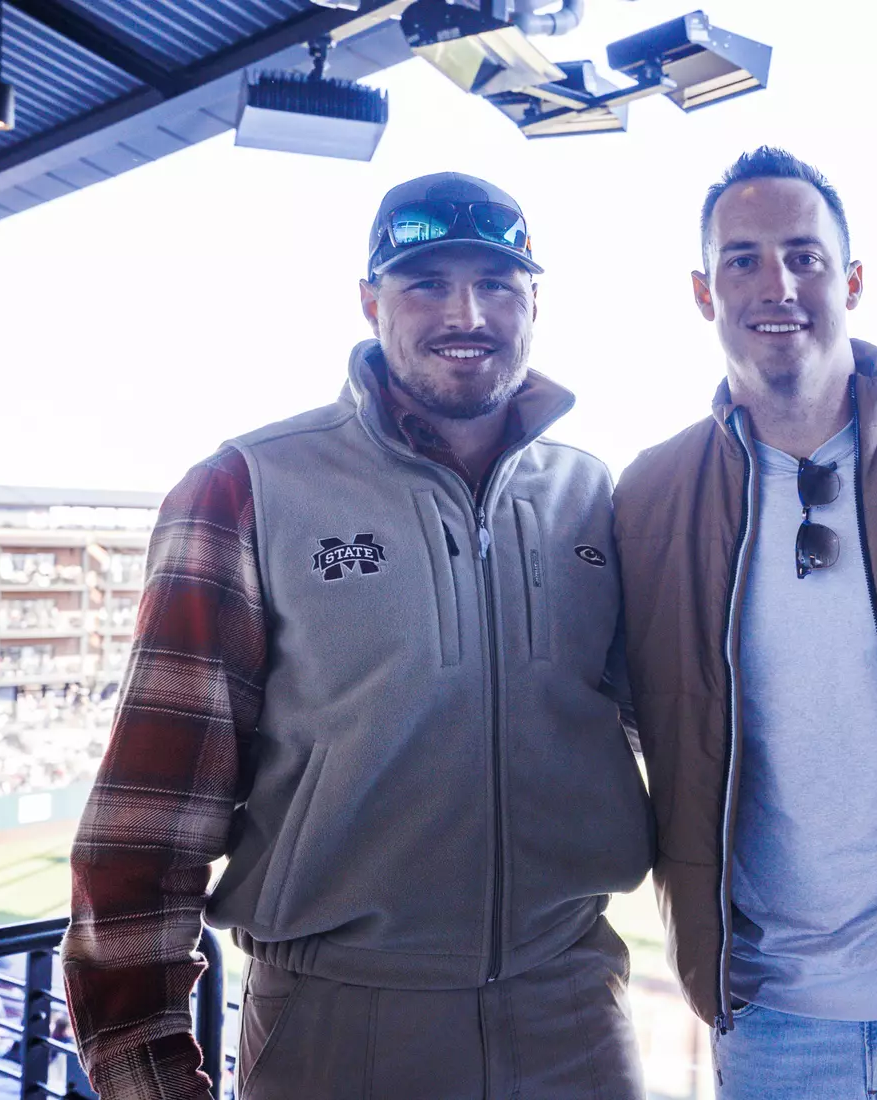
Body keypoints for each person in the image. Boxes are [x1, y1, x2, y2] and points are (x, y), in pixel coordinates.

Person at [61, 172, 653, 1100]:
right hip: (339, 1022)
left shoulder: (593, 493)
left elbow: (673, 728)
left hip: (574, 1007)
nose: (467, 313)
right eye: (427, 282)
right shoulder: (246, 488)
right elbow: (151, 808)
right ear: (370, 301)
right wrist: (147, 1069)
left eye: (497, 284)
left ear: (535, 304)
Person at [612, 147, 877, 1099]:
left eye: (804, 256)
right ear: (703, 292)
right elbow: (636, 717)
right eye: (743, 259)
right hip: (775, 1025)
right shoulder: (650, 497)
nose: (778, 285)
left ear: (853, 280)